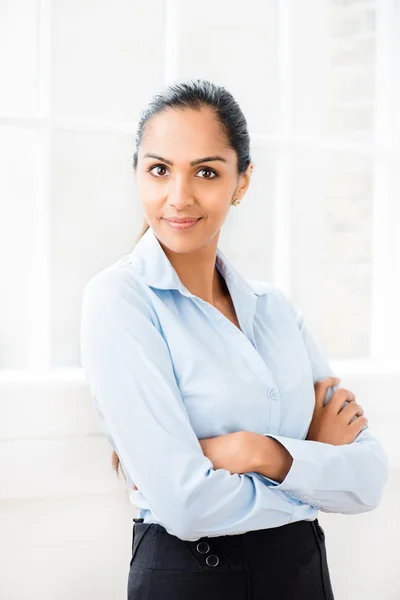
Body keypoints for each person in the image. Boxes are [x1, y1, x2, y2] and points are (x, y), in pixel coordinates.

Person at [80, 78, 389, 599]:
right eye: (159, 169)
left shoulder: (275, 311)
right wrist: (310, 465)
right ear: (137, 174)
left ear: (241, 182)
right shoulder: (118, 301)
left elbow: (369, 478)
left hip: (303, 575)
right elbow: (185, 504)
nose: (178, 197)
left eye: (206, 172)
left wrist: (259, 452)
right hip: (193, 578)